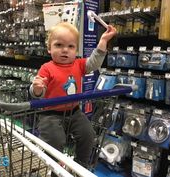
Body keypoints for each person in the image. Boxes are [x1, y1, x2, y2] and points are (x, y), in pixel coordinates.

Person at [29, 22, 116, 170]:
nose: (65, 50)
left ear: (76, 49)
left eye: (70, 46)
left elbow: (94, 62)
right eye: (58, 45)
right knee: (55, 141)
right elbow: (38, 93)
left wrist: (103, 41)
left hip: (74, 112)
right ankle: (56, 167)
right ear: (49, 48)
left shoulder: (79, 64)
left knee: (88, 134)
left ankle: (80, 166)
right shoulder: (47, 68)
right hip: (50, 114)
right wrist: (37, 88)